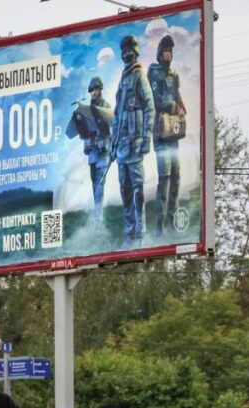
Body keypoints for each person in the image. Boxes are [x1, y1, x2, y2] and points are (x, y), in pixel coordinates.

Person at [112, 34, 155, 248]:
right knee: (125, 190)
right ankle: (129, 232)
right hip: (121, 148)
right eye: (124, 51)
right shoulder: (122, 79)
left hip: (135, 143)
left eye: (130, 50)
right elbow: (117, 116)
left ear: (135, 52)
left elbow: (149, 107)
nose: (127, 54)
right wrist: (112, 144)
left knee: (138, 188)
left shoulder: (139, 75)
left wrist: (147, 137)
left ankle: (141, 231)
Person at [148, 34, 187, 236]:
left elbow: (177, 96)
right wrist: (174, 107)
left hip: (173, 133)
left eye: (170, 51)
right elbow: (158, 100)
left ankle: (172, 218)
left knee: (176, 176)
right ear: (159, 53)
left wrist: (182, 108)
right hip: (160, 133)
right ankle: (159, 224)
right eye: (165, 50)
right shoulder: (154, 73)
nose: (168, 54)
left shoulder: (174, 75)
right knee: (164, 179)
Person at [69, 76, 114, 228]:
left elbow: (111, 127)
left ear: (100, 89)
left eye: (96, 89)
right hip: (93, 153)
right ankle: (97, 213)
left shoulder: (106, 107)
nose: (94, 92)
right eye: (92, 90)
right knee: (95, 184)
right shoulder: (87, 110)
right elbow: (84, 132)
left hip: (103, 151)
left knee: (100, 183)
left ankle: (98, 218)